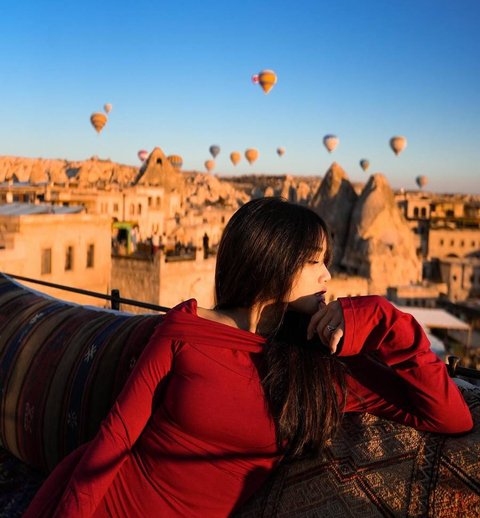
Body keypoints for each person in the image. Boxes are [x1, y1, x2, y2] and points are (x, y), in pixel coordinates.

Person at [25, 198, 473, 518]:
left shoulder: (323, 369)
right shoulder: (184, 329)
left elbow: (449, 416)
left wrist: (381, 318)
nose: (328, 274)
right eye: (315, 260)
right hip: (110, 500)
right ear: (273, 258)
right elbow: (116, 438)